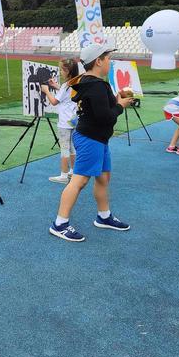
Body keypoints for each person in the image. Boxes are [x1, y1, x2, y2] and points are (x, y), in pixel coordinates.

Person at [48, 44, 133, 242]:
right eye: (108, 58)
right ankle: (59, 224)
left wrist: (115, 100)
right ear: (99, 61)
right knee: (79, 181)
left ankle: (103, 216)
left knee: (103, 178)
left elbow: (100, 108)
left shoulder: (90, 83)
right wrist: (120, 106)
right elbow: (106, 117)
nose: (110, 62)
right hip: (91, 138)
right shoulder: (95, 85)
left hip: (97, 138)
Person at [41, 58, 79, 184]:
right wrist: (55, 86)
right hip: (74, 120)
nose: (61, 72)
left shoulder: (66, 85)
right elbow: (67, 95)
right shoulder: (76, 82)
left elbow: (54, 101)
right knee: (72, 147)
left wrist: (46, 90)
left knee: (64, 148)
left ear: (68, 71)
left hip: (64, 122)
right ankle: (73, 172)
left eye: (62, 69)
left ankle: (63, 175)